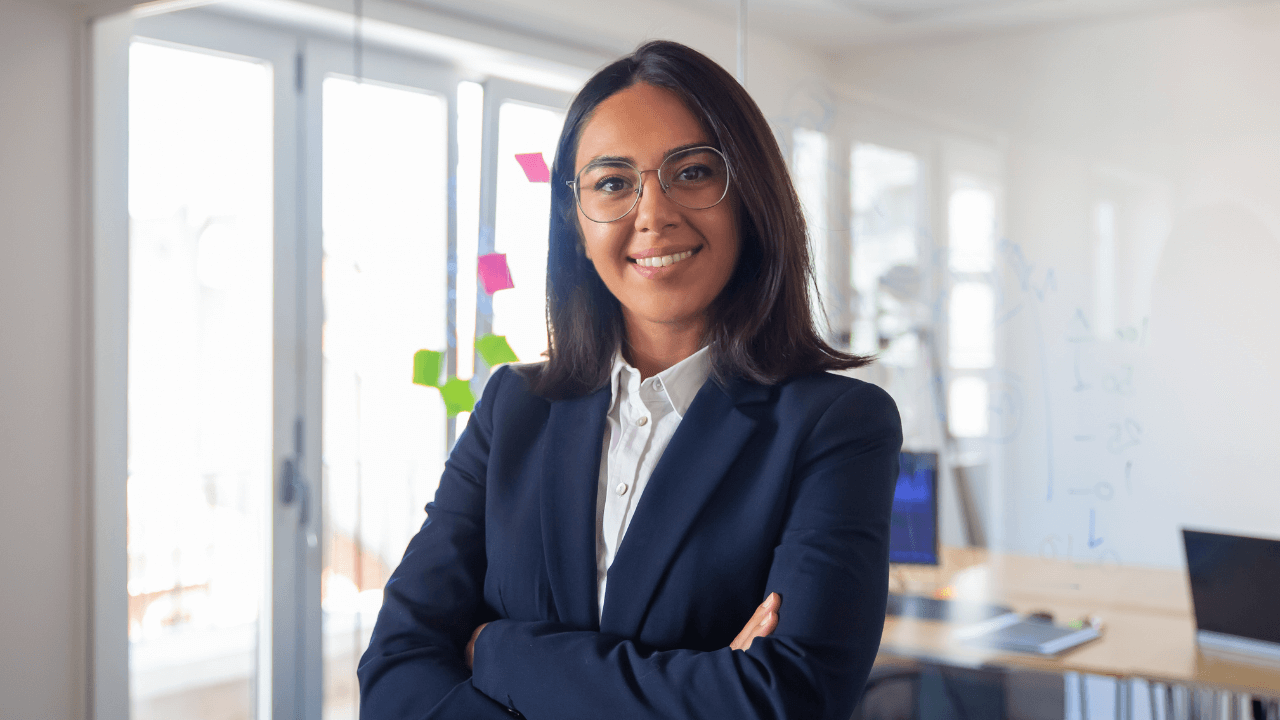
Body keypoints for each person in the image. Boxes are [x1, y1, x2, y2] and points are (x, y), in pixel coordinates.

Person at [358, 40, 902, 720]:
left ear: (749, 199)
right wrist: (704, 685)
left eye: (693, 172)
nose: (653, 214)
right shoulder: (513, 409)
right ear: (575, 223)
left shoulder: (837, 425)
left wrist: (498, 650)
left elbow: (783, 701)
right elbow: (395, 675)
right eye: (613, 183)